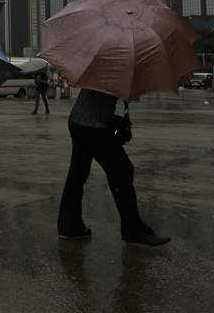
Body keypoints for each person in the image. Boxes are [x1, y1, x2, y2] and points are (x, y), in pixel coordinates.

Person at [57, 88, 170, 246]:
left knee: (78, 173)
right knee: (122, 171)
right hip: (93, 126)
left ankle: (69, 225)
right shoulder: (113, 69)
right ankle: (133, 229)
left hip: (78, 121)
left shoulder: (104, 68)